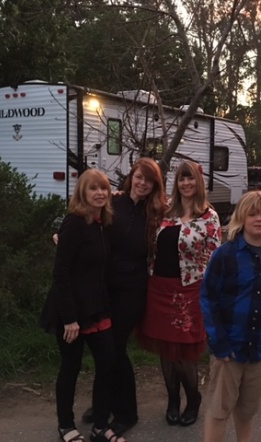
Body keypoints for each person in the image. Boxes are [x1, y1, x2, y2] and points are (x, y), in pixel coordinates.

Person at [199, 190, 261, 442]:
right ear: (242, 218)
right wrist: (219, 342)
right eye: (252, 214)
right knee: (219, 410)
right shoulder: (225, 256)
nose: (258, 219)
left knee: (247, 412)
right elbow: (208, 299)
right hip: (229, 350)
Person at [39, 169, 127, 442]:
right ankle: (66, 426)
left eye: (104, 189)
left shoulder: (102, 222)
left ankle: (100, 425)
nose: (100, 193)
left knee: (108, 363)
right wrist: (69, 318)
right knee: (71, 367)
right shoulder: (74, 223)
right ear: (82, 193)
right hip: (71, 312)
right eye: (93, 189)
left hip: (97, 308)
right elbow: (60, 273)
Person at [81, 158, 167, 436]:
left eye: (149, 180)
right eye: (139, 177)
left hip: (132, 291)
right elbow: (88, 223)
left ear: (155, 185)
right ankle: (102, 405)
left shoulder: (156, 213)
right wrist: (64, 234)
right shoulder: (113, 203)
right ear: (132, 177)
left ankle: (127, 412)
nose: (143, 183)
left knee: (114, 349)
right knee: (104, 349)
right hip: (104, 286)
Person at [138, 161, 222, 427]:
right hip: (159, 288)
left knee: (184, 351)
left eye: (191, 179)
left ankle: (193, 399)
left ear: (199, 182)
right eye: (182, 179)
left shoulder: (209, 217)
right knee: (166, 349)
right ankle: (173, 399)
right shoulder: (165, 210)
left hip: (189, 290)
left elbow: (215, 259)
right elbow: (132, 201)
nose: (186, 183)